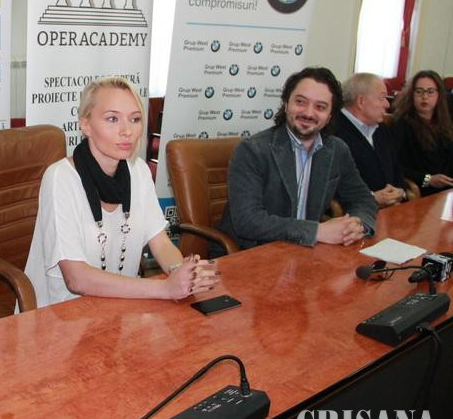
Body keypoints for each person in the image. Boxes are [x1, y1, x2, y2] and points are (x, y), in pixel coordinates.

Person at [25, 77, 219, 307]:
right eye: (112, 119)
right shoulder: (60, 177)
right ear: (85, 125)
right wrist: (164, 288)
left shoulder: (139, 171)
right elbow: (76, 278)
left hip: (123, 305)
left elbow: (161, 243)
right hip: (62, 314)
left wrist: (183, 274)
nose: (127, 131)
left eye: (135, 119)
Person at [216, 67, 377, 251]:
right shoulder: (252, 150)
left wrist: (356, 225)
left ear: (329, 116)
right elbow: (248, 221)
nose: (308, 113)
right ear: (286, 104)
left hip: (303, 251)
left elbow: (363, 198)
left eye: (320, 107)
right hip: (249, 251)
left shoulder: (337, 150)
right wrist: (317, 232)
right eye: (300, 102)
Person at [335, 72, 407, 207]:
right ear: (361, 101)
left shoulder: (381, 128)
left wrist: (400, 191)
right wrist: (372, 197)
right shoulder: (333, 131)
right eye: (382, 98)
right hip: (355, 213)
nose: (387, 104)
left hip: (392, 208)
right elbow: (331, 185)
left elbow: (396, 168)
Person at [391, 70, 453, 196]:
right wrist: (428, 179)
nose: (424, 97)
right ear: (411, 94)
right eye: (419, 92)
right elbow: (396, 165)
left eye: (430, 91)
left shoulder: (445, 120)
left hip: (447, 189)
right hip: (423, 189)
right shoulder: (402, 124)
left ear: (439, 94)